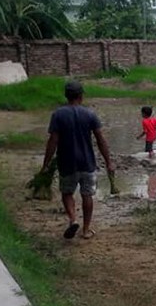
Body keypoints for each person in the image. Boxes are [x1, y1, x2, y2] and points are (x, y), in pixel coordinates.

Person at [41, 80, 114, 240]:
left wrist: (46, 164)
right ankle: (86, 230)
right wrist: (109, 161)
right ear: (81, 96)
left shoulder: (58, 115)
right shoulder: (90, 114)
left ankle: (73, 219)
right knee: (87, 195)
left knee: (67, 193)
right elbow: (101, 139)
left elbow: (53, 141)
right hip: (87, 162)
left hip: (67, 162)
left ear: (66, 96)